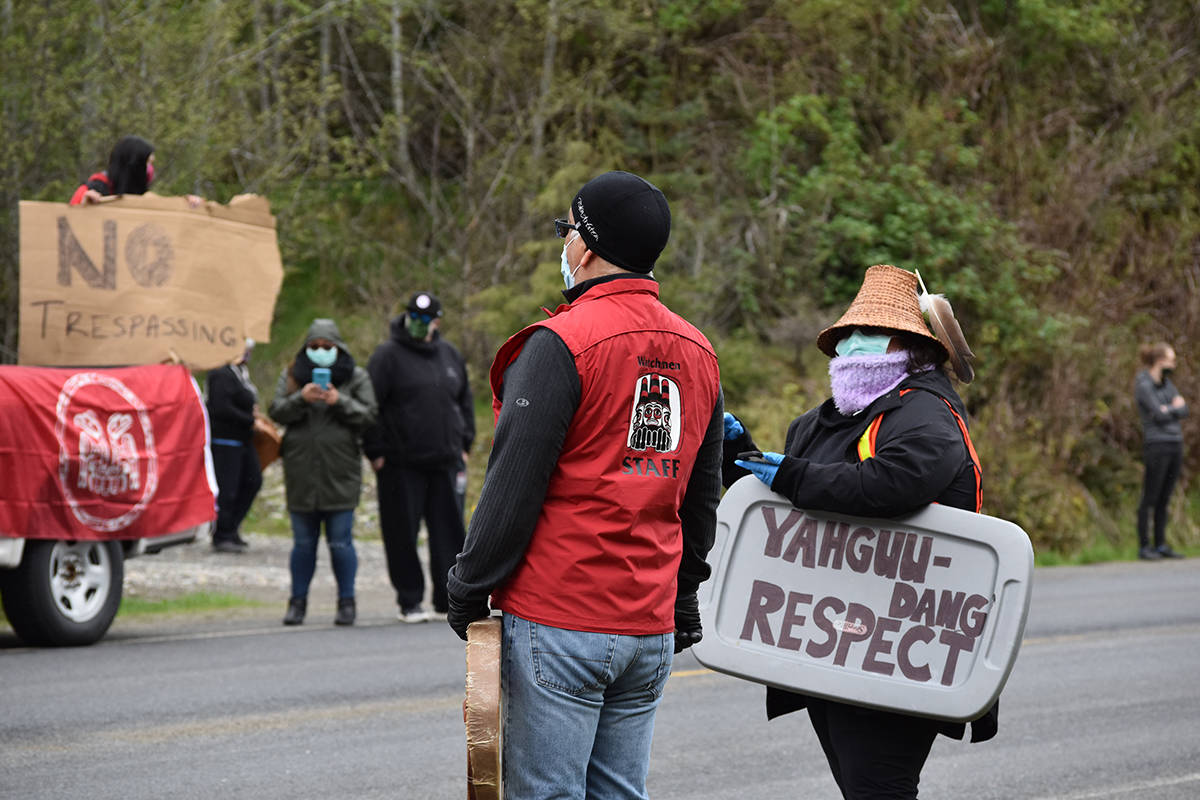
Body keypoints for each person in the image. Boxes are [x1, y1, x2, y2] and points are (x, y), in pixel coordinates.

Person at [447, 170, 724, 800]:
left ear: (587, 245)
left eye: (566, 229)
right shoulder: (699, 352)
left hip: (561, 616)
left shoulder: (561, 344)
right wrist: (684, 600)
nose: (564, 243)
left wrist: (468, 587)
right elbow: (698, 497)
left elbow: (513, 487)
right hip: (647, 625)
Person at [725, 264, 991, 800]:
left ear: (909, 346)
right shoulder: (820, 421)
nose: (848, 348)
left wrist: (792, 474)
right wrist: (740, 454)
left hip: (900, 648)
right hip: (832, 644)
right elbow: (796, 499)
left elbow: (896, 483)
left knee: (879, 790)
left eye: (863, 336)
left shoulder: (926, 413)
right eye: (844, 336)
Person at [363, 291, 475, 623]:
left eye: (424, 319)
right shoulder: (386, 356)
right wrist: (376, 451)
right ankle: (409, 600)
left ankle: (447, 600)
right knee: (401, 532)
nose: (417, 323)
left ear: (436, 322)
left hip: (445, 460)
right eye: (413, 317)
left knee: (450, 533)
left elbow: (464, 402)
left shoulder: (449, 354)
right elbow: (370, 407)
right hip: (400, 464)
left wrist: (465, 443)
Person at [269, 319, 377, 627]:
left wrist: (338, 400)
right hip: (301, 473)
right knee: (303, 544)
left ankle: (347, 602)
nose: (320, 352)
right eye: (314, 347)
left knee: (340, 542)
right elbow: (276, 410)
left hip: (340, 474)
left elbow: (369, 415)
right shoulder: (292, 376)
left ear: (338, 347)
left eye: (326, 347)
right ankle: (297, 603)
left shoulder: (356, 377)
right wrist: (300, 399)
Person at [205, 339, 263, 553]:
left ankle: (232, 526)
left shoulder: (240, 373)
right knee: (227, 488)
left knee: (252, 481)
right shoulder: (221, 373)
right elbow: (220, 407)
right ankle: (222, 533)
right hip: (225, 439)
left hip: (243, 439)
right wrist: (249, 419)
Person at [1134, 342, 1187, 560]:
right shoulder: (1143, 384)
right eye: (1171, 360)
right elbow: (1159, 413)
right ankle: (1145, 546)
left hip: (1175, 443)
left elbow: (1184, 409)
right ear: (1160, 361)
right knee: (1151, 496)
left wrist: (1171, 409)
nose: (1173, 365)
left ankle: (1161, 544)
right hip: (1157, 445)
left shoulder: (1168, 384)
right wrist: (1172, 408)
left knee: (1165, 497)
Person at [70, 135, 156, 205]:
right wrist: (84, 207)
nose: (150, 169)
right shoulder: (89, 191)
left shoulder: (144, 197)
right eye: (147, 163)